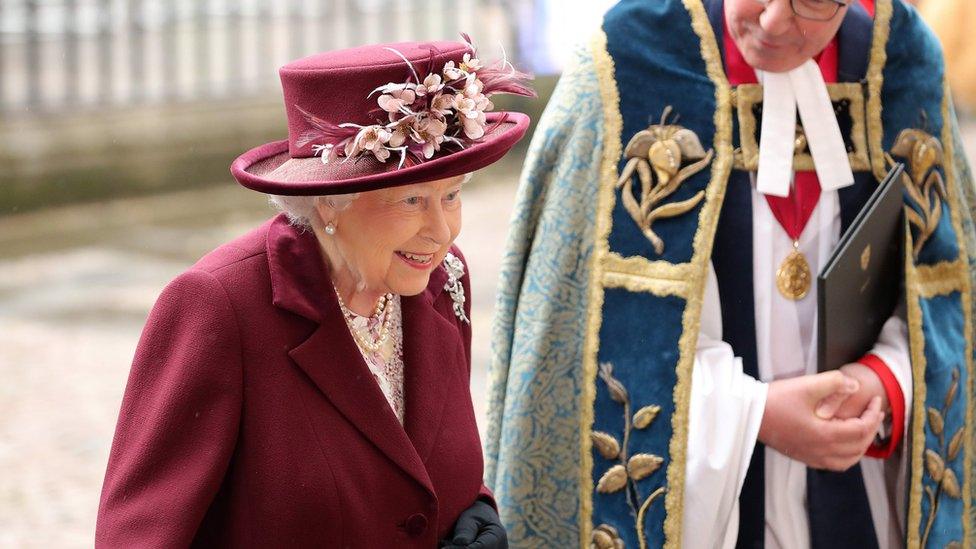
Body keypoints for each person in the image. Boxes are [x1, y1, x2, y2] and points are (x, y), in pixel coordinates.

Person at [485, 0, 976, 547]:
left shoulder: (900, 59)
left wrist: (888, 381)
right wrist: (751, 415)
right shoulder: (627, 62)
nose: (772, 22)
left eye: (810, 3)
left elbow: (946, 292)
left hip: (866, 494)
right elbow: (576, 339)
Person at [95, 38, 533, 548]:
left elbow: (415, 466)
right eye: (412, 200)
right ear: (330, 203)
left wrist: (475, 506)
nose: (442, 232)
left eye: (452, 195)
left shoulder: (439, 275)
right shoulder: (220, 307)